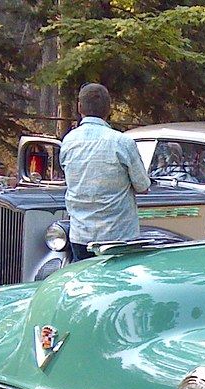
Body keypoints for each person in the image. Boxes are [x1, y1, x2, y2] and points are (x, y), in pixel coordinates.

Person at [59, 83, 150, 262]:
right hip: (118, 235)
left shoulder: (68, 142)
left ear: (79, 107)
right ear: (108, 109)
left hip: (80, 234)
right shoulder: (122, 143)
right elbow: (143, 186)